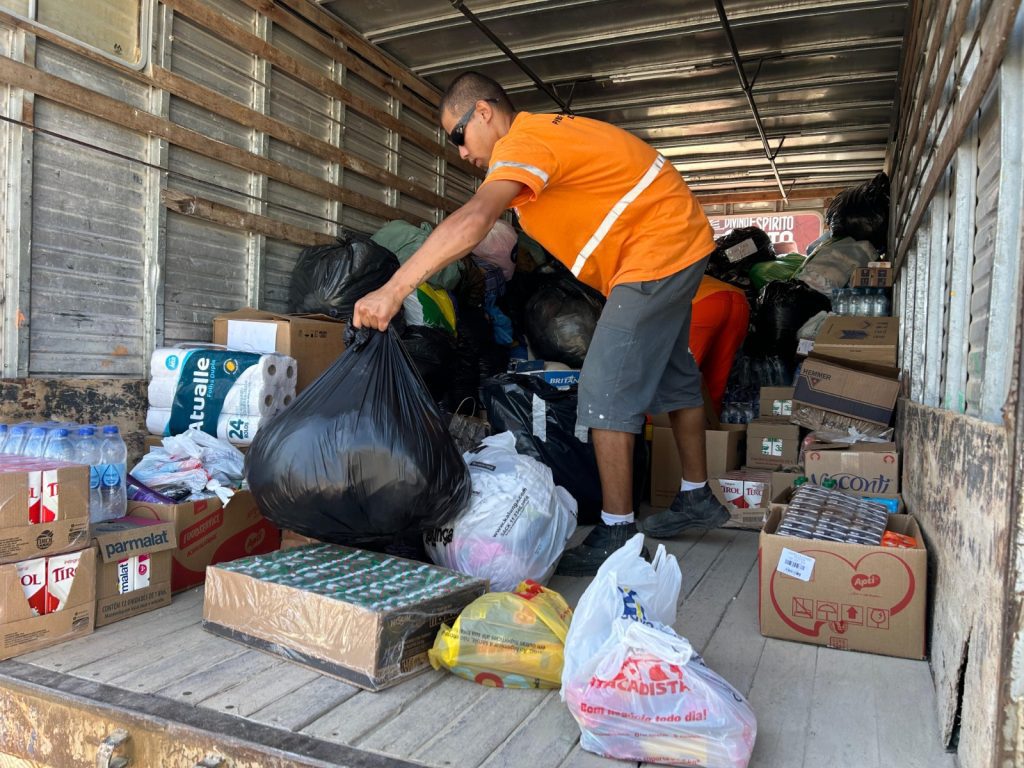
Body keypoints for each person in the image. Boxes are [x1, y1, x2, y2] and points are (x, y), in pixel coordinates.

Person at [352, 71, 728, 576]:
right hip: (673, 240)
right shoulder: (544, 141)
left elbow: (475, 218)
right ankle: (696, 496)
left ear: (484, 112)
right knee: (674, 374)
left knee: (603, 385)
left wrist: (394, 289)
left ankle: (617, 532)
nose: (461, 152)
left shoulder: (523, 142)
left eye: (459, 135)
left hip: (655, 250)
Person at [690, 275, 750, 414]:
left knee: (677, 378)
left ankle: (654, 424)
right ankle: (711, 423)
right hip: (739, 301)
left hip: (702, 303)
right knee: (715, 380)